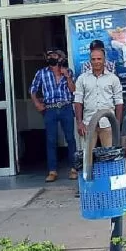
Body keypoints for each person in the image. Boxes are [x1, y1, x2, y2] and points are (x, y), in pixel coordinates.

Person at [30, 48, 77, 182]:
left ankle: (74, 168)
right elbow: (33, 88)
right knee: (51, 140)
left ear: (60, 59)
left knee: (70, 138)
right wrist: (37, 104)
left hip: (66, 107)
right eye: (49, 55)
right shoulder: (41, 73)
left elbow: (73, 90)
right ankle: (52, 171)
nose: (51, 57)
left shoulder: (68, 72)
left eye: (54, 55)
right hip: (50, 109)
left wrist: (67, 77)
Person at [74, 47, 124, 151]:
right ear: (90, 61)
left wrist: (117, 124)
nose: (96, 62)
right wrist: (79, 122)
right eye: (93, 59)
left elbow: (119, 102)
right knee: (87, 156)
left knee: (109, 155)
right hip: (88, 123)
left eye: (99, 59)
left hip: (108, 123)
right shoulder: (82, 78)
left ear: (104, 60)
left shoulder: (113, 78)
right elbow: (78, 101)